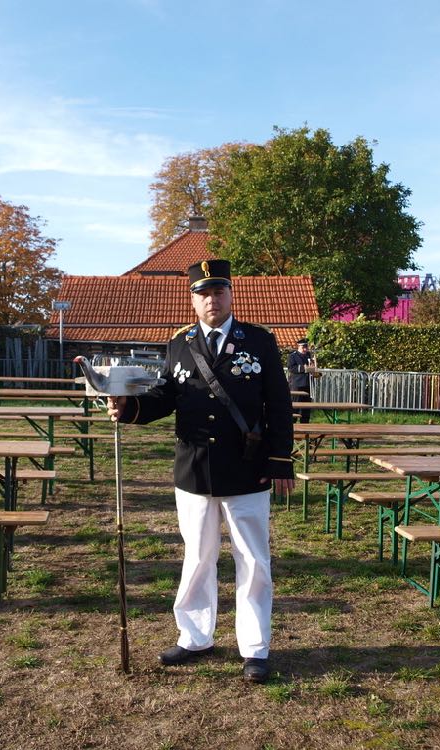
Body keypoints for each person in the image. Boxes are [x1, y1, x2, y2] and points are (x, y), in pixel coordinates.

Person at [106, 259, 295, 684]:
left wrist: (280, 459)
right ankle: (194, 637)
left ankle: (255, 648)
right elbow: (164, 396)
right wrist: (129, 408)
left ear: (231, 295)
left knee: (252, 561)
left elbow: (279, 405)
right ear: (192, 300)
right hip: (193, 471)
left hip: (247, 470)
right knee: (197, 557)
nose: (212, 299)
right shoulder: (180, 343)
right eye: (203, 293)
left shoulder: (260, 342)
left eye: (219, 291)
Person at [286, 338, 316, 423]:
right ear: (298, 347)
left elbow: (312, 367)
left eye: (306, 347)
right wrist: (304, 368)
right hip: (297, 385)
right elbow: (291, 368)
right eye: (303, 347)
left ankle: (305, 428)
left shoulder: (308, 355)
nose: (305, 349)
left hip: (308, 384)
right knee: (295, 407)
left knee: (306, 409)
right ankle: (292, 427)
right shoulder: (293, 356)